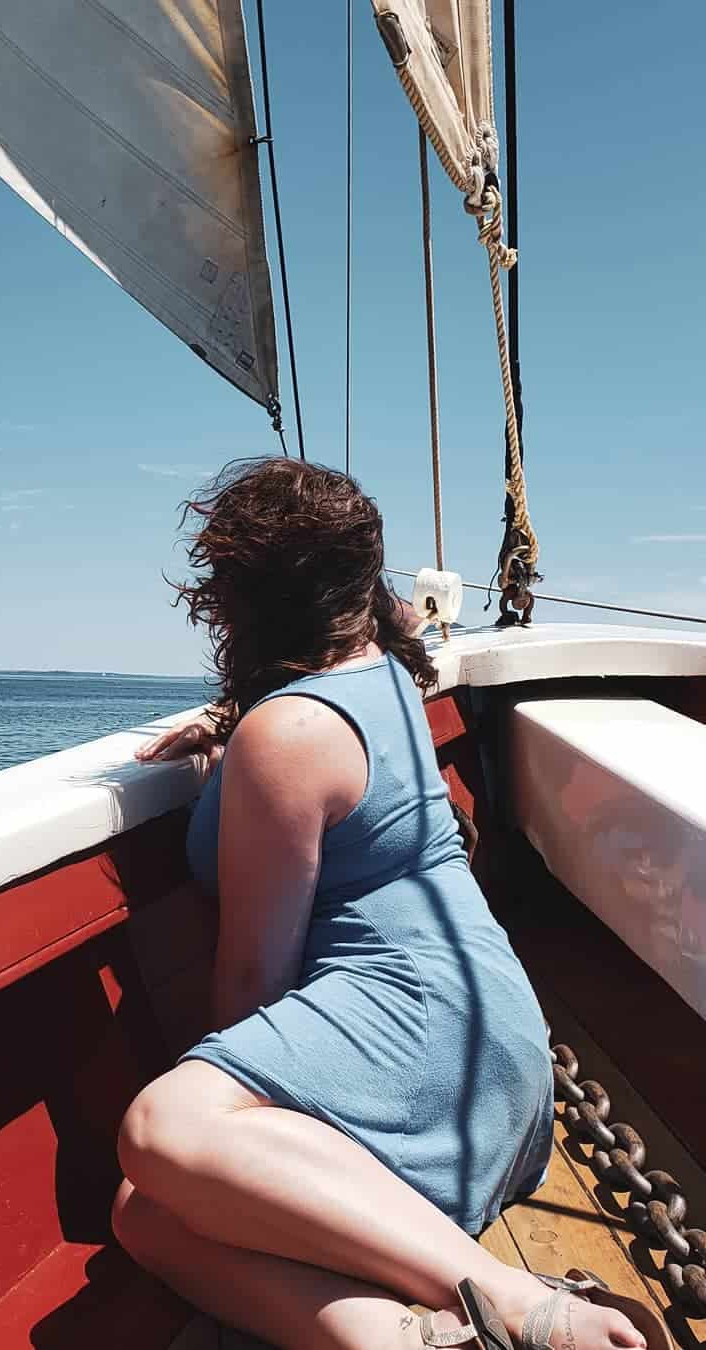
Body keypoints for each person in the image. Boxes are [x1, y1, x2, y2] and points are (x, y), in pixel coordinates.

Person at [114, 460, 664, 1350]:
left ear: (237, 599)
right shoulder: (387, 673)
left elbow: (255, 977)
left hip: (418, 1053)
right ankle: (405, 1340)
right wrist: (227, 718)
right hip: (500, 1074)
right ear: (360, 579)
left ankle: (517, 1301)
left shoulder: (286, 732)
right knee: (144, 1217)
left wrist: (232, 1147)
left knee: (162, 1132)